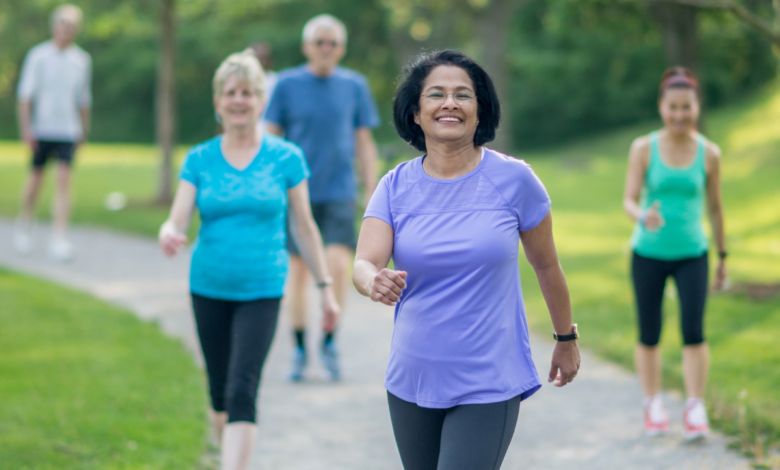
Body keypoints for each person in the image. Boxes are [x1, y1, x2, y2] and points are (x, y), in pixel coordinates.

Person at [352, 50, 580, 470]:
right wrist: (372, 281)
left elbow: (547, 265)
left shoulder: (515, 180)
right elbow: (364, 262)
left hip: (489, 379)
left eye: (463, 95)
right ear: (416, 113)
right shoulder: (395, 185)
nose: (450, 103)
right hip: (412, 378)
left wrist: (566, 339)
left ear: (480, 112)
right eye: (436, 94)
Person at [158, 50, 339, 470]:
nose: (238, 100)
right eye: (230, 93)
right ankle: (225, 456)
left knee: (243, 389)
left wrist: (326, 289)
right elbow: (178, 216)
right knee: (220, 394)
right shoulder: (200, 158)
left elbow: (305, 226)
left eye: (247, 93)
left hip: (262, 286)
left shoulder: (286, 157)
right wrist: (169, 233)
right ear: (218, 101)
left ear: (260, 100)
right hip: (208, 286)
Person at [265, 13, 380, 381]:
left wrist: (373, 190)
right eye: (319, 42)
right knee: (298, 272)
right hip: (296, 194)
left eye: (332, 43)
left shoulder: (354, 86)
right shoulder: (286, 84)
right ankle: (299, 346)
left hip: (339, 192)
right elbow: (270, 137)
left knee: (336, 267)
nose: (326, 49)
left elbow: (364, 141)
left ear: (342, 48)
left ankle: (330, 338)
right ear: (307, 47)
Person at [623, 67, 727, 440]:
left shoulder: (709, 153)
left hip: (692, 253)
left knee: (693, 331)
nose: (680, 114)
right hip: (648, 253)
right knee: (649, 331)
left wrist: (723, 255)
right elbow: (629, 200)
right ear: (661, 107)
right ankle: (653, 404)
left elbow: (715, 208)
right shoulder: (643, 148)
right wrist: (642, 216)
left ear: (696, 107)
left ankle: (694, 407)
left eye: (687, 107)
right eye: (673, 107)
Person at [14, 4, 91, 261]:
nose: (66, 30)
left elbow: (83, 99)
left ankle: (59, 236)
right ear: (54, 26)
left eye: (71, 26)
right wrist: (26, 129)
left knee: (64, 182)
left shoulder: (81, 60)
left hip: (68, 130)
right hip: (42, 129)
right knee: (35, 180)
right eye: (63, 24)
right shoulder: (38, 56)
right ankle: (25, 224)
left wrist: (83, 130)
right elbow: (25, 96)